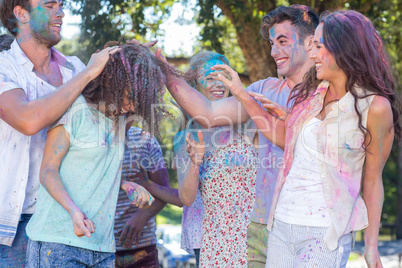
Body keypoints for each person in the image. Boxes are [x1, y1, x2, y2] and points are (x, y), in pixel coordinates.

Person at [211, 10, 401, 268]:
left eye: (318, 46)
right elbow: (284, 139)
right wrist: (242, 95)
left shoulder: (375, 107)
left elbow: (372, 178)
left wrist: (371, 246)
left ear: (344, 48)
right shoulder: (311, 94)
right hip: (281, 224)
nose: (312, 55)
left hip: (325, 233)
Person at [155, 5, 319, 267]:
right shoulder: (260, 91)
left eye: (282, 42)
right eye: (271, 43)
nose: (274, 51)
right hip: (249, 233)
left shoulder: (328, 92)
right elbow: (206, 112)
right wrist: (163, 67)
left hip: (310, 228)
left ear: (310, 44)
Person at [25, 42, 179, 267]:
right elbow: (48, 171)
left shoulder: (120, 122)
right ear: (113, 82)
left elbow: (91, 174)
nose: (131, 106)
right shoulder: (75, 109)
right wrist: (73, 210)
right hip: (57, 242)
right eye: (129, 96)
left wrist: (126, 184)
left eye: (138, 100)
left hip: (103, 248)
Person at [0, 0, 116, 266]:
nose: (61, 12)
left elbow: (106, 123)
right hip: (13, 226)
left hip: (65, 219)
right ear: (21, 14)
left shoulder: (74, 68)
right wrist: (87, 75)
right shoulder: (4, 67)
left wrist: (135, 59)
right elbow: (28, 120)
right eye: (49, 5)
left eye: (61, 5)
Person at [176, 51, 258, 267]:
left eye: (222, 77)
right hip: (213, 240)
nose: (218, 85)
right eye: (210, 78)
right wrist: (195, 163)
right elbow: (186, 198)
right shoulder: (186, 136)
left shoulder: (246, 121)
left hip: (255, 234)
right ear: (194, 85)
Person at [114, 126, 169, 268]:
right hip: (94, 247)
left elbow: (165, 192)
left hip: (141, 249)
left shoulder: (145, 140)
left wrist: (142, 216)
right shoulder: (87, 137)